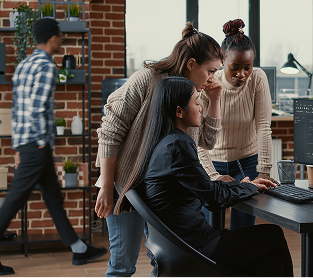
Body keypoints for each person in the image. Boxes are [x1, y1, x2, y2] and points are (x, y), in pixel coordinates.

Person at [94, 22, 228, 278]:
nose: (213, 78)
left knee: (165, 260)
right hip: (127, 186)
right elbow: (110, 131)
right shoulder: (147, 79)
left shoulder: (193, 95)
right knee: (122, 264)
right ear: (191, 64)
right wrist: (108, 186)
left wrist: (216, 100)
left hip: (162, 192)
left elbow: (207, 143)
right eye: (210, 71)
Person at [135, 77, 293, 277]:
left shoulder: (165, 142)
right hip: (194, 249)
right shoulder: (177, 146)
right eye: (195, 101)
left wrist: (243, 184)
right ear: (179, 111)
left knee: (270, 262)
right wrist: (251, 187)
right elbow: (213, 199)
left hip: (181, 246)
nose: (200, 106)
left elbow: (205, 187)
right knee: (274, 234)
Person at [0, 18, 107, 275]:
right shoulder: (46, 66)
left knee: (53, 198)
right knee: (14, 200)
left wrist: (19, 148)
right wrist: (38, 146)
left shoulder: (25, 64)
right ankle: (79, 249)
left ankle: (79, 250)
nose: (60, 40)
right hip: (37, 146)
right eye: (59, 37)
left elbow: (18, 110)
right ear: (51, 39)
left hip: (29, 144)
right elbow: (36, 110)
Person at [199, 19, 275, 229]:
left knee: (243, 229)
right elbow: (198, 140)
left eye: (247, 67)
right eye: (235, 68)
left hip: (247, 162)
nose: (242, 74)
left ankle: (238, 263)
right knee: (209, 226)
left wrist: (264, 170)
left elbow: (263, 126)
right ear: (222, 62)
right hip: (212, 162)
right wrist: (212, 176)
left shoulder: (257, 79)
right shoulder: (209, 84)